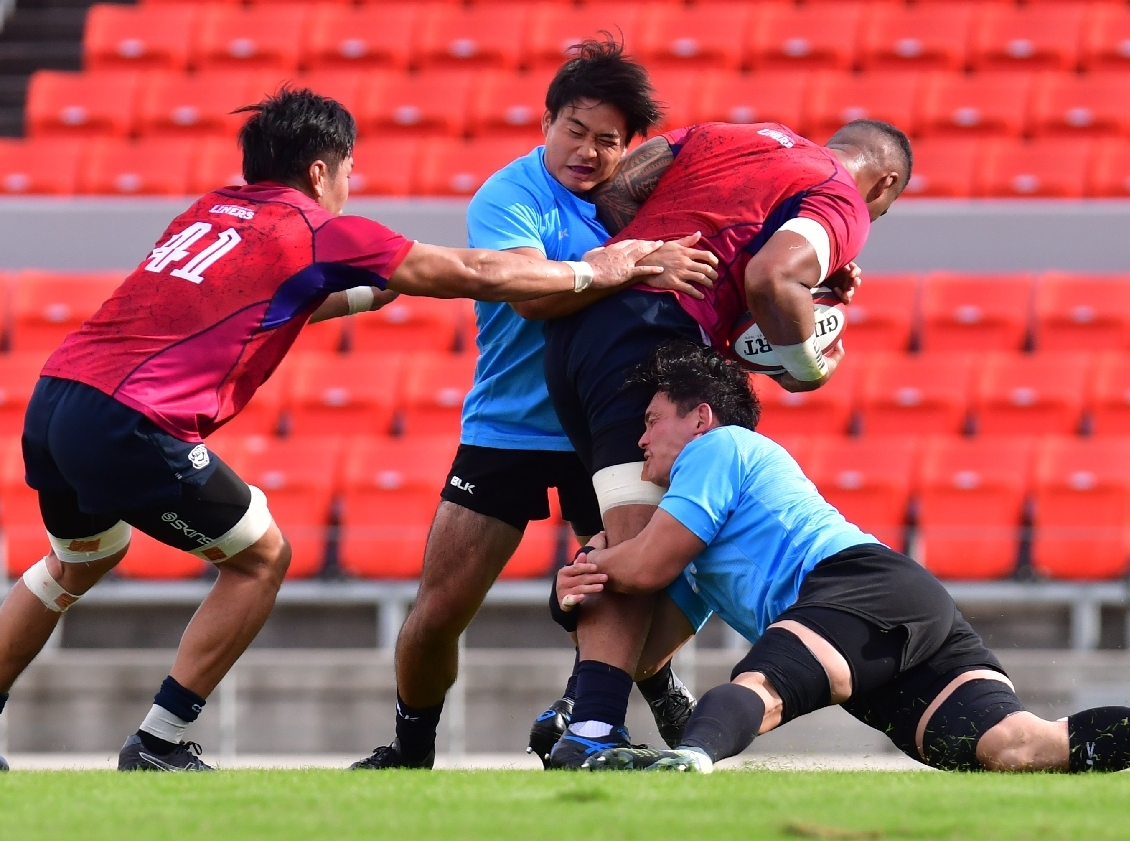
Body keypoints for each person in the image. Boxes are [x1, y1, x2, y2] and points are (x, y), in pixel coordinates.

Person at [0, 87, 666, 772]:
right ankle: (160, 741)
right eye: (349, 167)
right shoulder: (316, 227)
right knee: (261, 559)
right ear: (322, 171)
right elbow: (475, 271)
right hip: (129, 419)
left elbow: (258, 308)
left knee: (73, 564)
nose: (352, 182)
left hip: (57, 400)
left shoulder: (206, 212)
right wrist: (596, 268)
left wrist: (373, 288)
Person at [560, 342, 1130, 776]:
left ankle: (688, 771)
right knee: (1023, 748)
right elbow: (649, 647)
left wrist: (594, 563)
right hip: (897, 609)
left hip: (855, 586)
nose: (642, 441)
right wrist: (583, 598)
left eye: (653, 422)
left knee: (761, 684)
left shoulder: (718, 451)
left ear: (700, 418)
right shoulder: (699, 534)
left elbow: (644, 570)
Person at [351, 40, 717, 770]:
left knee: (635, 585)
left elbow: (731, 256)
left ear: (629, 148)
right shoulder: (509, 195)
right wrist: (630, 263)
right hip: (508, 428)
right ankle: (411, 749)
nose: (586, 151)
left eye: (607, 140)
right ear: (546, 122)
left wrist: (818, 281)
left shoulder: (651, 201)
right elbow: (526, 291)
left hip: (612, 432)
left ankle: (603, 705)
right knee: (441, 610)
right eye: (574, 130)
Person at [538, 118, 912, 767]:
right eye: (883, 209)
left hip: (583, 329)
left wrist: (736, 289)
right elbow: (772, 278)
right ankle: (591, 732)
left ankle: (581, 706)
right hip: (649, 341)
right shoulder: (841, 198)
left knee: (651, 534)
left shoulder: (736, 135)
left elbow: (619, 193)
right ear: (882, 185)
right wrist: (805, 362)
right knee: (641, 546)